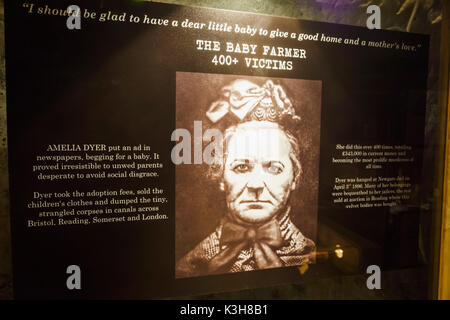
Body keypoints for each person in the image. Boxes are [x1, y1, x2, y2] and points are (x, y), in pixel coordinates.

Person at [176, 79, 315, 278]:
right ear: (221, 177)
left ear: (295, 177)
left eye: (274, 167)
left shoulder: (308, 258)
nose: (256, 184)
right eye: (241, 167)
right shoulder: (194, 263)